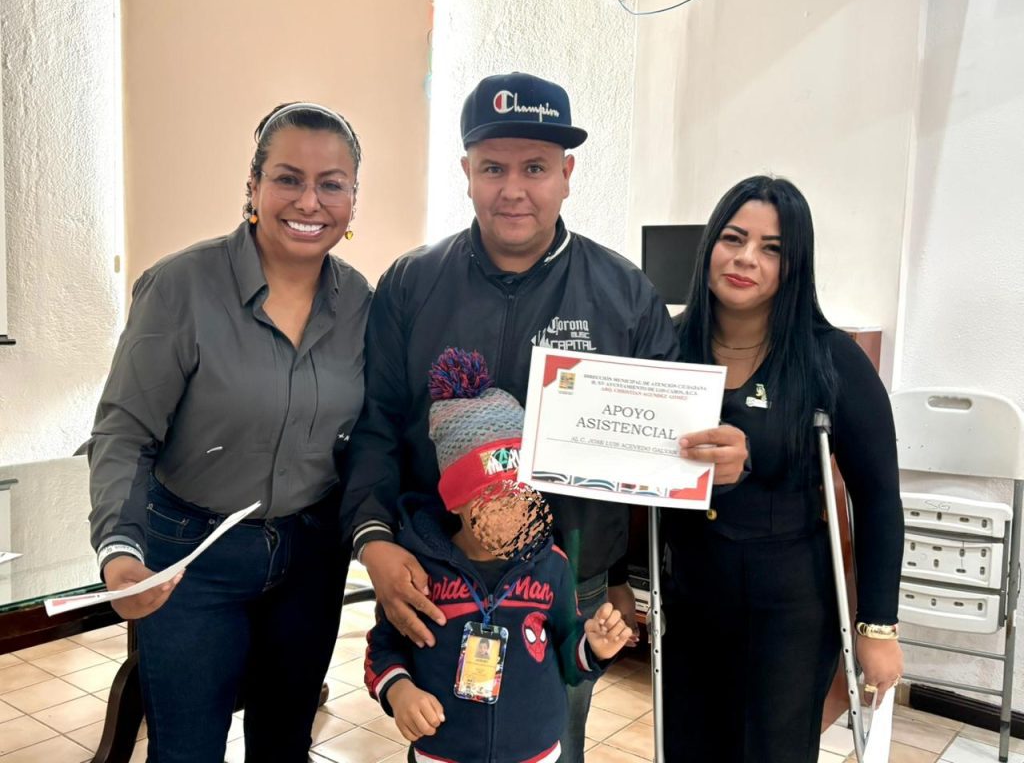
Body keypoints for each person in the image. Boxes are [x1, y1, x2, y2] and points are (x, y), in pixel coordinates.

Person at [341, 71, 748, 762]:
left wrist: (717, 461)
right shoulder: (412, 283)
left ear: (566, 174)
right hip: (434, 576)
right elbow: (375, 426)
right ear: (466, 173)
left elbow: (671, 444)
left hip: (568, 582)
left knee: (552, 742)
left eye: (534, 167)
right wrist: (374, 541)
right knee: (438, 737)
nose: (513, 189)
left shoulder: (625, 295)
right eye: (492, 168)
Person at [87, 102, 371, 763]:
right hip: (192, 558)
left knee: (284, 746)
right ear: (253, 185)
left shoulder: (360, 301)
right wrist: (119, 548)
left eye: (332, 184)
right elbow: (125, 431)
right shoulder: (181, 287)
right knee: (186, 750)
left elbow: (369, 436)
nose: (309, 201)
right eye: (288, 178)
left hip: (310, 559)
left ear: (353, 198)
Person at [661, 175, 904, 762]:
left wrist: (878, 627)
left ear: (794, 266)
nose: (746, 258)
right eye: (733, 238)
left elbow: (877, 498)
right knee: (690, 747)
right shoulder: (665, 347)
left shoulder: (831, 358)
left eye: (772, 248)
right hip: (691, 595)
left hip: (789, 606)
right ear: (709, 246)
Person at [365, 348, 632, 763]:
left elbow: (569, 655)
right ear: (455, 501)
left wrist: (593, 646)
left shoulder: (553, 565)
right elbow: (382, 648)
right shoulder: (416, 571)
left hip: (536, 754)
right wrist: (399, 691)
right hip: (442, 754)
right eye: (490, 495)